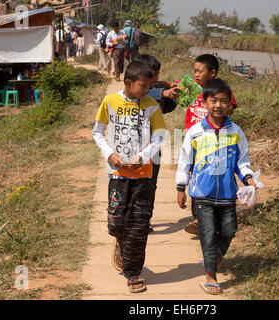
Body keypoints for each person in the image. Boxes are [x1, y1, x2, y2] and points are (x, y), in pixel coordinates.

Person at [176, 79, 257, 295]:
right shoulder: (195, 132)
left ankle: (215, 257)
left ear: (230, 105)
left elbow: (242, 162)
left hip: (228, 195)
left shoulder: (236, 132)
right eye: (214, 101)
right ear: (204, 103)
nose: (218, 105)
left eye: (223, 101)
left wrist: (249, 179)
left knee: (230, 230)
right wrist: (180, 187)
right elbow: (186, 161)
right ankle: (211, 276)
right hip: (202, 194)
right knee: (209, 235)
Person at [92, 61, 166, 293]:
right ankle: (120, 244)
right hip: (117, 174)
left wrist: (144, 156)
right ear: (128, 83)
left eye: (149, 85)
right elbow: (97, 132)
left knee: (139, 224)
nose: (146, 90)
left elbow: (160, 136)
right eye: (143, 86)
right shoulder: (110, 102)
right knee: (117, 223)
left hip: (143, 175)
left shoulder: (152, 104)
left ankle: (133, 272)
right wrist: (110, 155)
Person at [181, 54, 238, 235]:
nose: (196, 74)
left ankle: (208, 217)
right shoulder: (190, 89)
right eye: (195, 71)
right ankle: (198, 218)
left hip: (214, 140)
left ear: (212, 73)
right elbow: (175, 95)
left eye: (200, 71)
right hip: (194, 139)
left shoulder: (220, 92)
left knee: (213, 174)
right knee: (195, 176)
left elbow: (231, 107)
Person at [135, 54, 180, 232]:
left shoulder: (156, 91)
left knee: (150, 184)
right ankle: (134, 218)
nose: (156, 79)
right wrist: (163, 91)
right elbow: (145, 93)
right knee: (135, 185)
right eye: (152, 76)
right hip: (134, 147)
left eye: (157, 75)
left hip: (153, 147)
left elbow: (166, 107)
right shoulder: (138, 93)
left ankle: (145, 219)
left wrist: (173, 94)